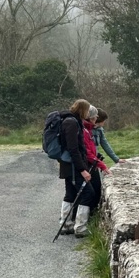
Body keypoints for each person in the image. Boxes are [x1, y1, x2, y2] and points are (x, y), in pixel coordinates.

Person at [57, 99, 98, 237]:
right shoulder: (72, 123)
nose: (88, 114)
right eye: (87, 110)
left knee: (70, 193)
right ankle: (80, 228)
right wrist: (83, 170)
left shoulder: (70, 120)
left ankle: (66, 225)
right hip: (73, 166)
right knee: (88, 193)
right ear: (83, 110)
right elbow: (73, 149)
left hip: (68, 165)